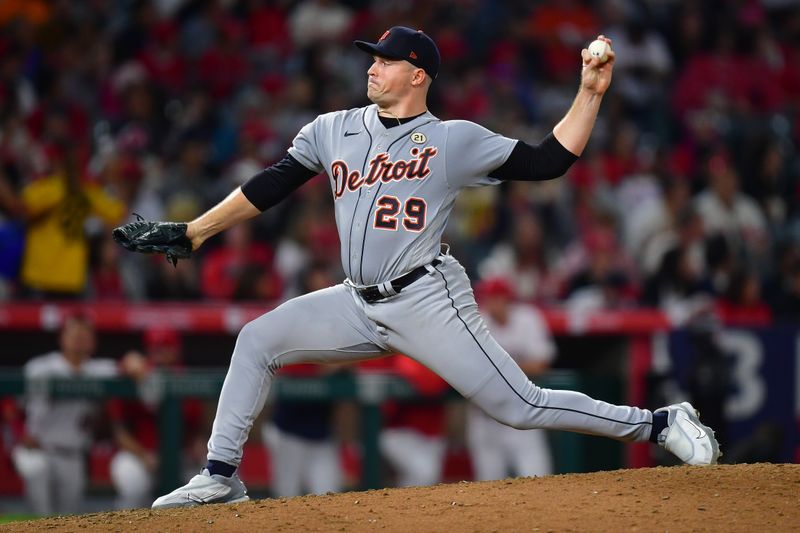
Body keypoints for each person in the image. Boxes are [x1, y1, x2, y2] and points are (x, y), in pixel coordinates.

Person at [134, 27, 720, 509]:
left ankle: (660, 422)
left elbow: (548, 162)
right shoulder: (332, 128)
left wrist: (589, 94)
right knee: (257, 338)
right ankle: (220, 476)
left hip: (426, 298)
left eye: (385, 61)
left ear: (417, 75)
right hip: (355, 301)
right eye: (372, 58)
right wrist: (194, 231)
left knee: (520, 406)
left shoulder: (451, 140)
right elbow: (270, 185)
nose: (372, 67)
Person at [11, 313, 118, 515]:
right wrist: (19, 434)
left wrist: (133, 362)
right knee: (39, 503)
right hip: (37, 450)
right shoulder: (39, 368)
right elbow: (10, 406)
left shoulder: (99, 370)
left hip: (72, 454)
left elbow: (127, 367)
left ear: (93, 342)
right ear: (62, 338)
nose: (78, 340)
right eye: (73, 335)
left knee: (68, 517)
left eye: (84, 336)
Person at [466, 277, 555, 480]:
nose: (492, 304)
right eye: (489, 298)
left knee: (538, 480)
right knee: (489, 487)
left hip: (523, 412)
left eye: (497, 298)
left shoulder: (527, 319)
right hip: (486, 418)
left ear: (507, 299)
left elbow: (541, 363)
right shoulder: (478, 322)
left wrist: (500, 369)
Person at [108, 327, 206, 509]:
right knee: (134, 486)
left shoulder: (185, 378)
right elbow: (119, 430)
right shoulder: (135, 374)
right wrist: (144, 456)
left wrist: (197, 447)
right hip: (138, 455)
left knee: (209, 483)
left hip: (179, 457)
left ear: (176, 349)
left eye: (165, 347)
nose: (159, 353)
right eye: (155, 348)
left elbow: (197, 428)